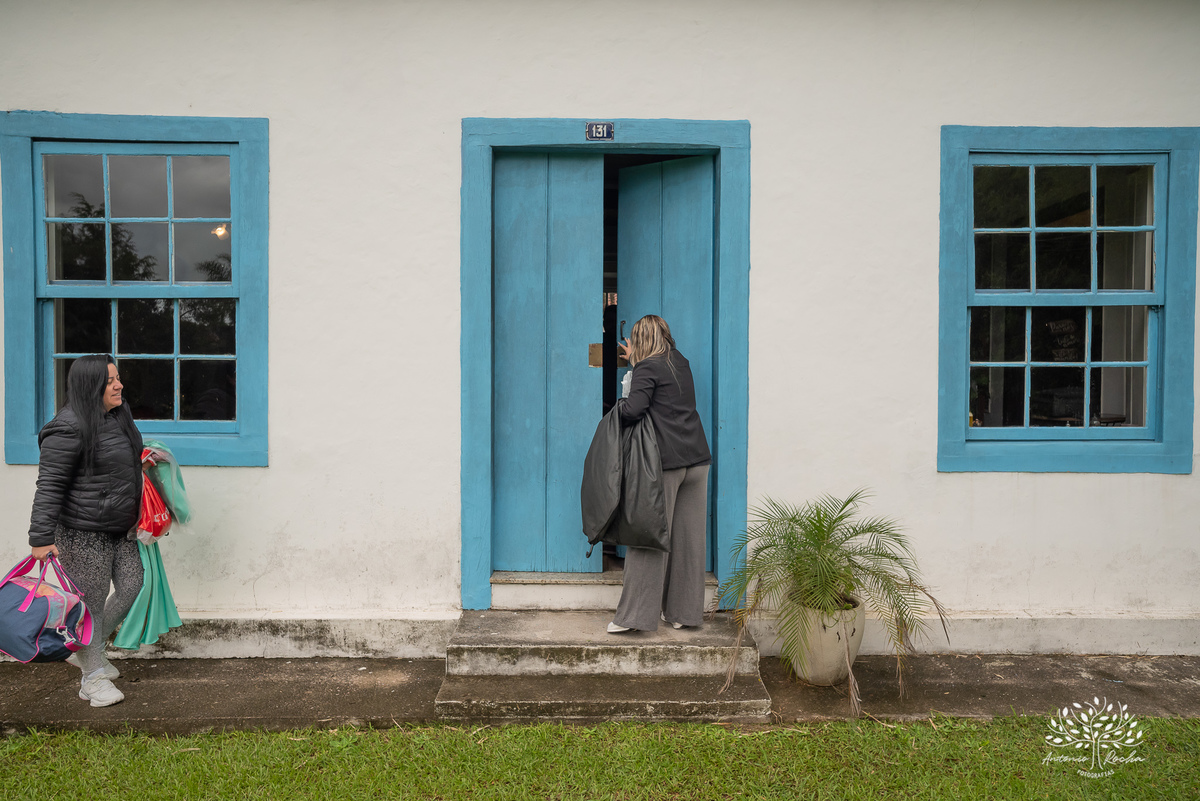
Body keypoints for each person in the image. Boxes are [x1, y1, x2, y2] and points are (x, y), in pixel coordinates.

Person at [28, 355, 144, 707]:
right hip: (83, 533)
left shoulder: (118, 416)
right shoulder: (67, 427)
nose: (119, 385)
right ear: (89, 386)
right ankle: (91, 678)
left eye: (118, 378)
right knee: (90, 605)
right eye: (110, 381)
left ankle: (81, 650)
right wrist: (41, 538)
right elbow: (49, 486)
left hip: (121, 529)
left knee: (132, 584)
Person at [608, 315, 711, 633]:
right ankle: (683, 614)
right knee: (688, 542)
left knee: (648, 537)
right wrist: (635, 364)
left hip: (663, 466)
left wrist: (617, 405)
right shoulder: (680, 361)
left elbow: (634, 409)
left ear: (638, 341)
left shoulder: (647, 367)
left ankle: (633, 619)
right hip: (697, 461)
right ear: (665, 335)